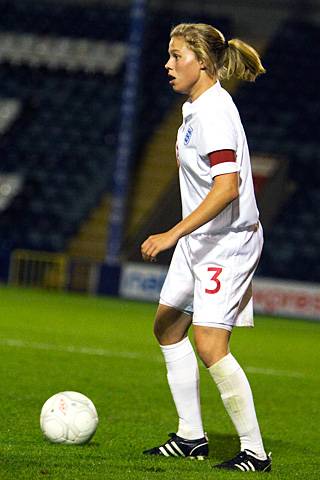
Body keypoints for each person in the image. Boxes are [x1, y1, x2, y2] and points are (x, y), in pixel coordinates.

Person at [140, 23, 271, 473]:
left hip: (227, 242)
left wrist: (171, 233)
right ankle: (191, 437)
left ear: (203, 62)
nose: (168, 64)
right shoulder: (195, 108)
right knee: (167, 328)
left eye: (177, 56)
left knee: (210, 343)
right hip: (202, 239)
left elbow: (228, 187)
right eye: (169, 55)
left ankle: (255, 452)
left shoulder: (214, 112)